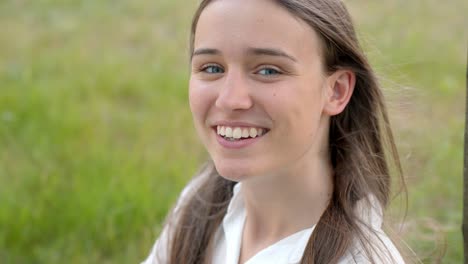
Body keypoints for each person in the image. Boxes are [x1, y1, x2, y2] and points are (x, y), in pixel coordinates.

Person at [143, 0, 408, 263]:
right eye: (212, 68)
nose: (229, 99)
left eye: (268, 70)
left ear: (336, 91)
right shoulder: (199, 203)